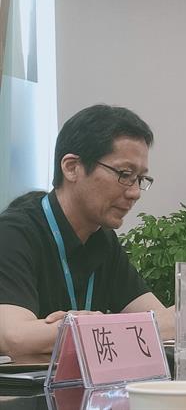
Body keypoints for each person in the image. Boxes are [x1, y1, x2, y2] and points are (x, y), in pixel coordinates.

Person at [0, 104, 174, 357]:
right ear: (72, 167)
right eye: (124, 174)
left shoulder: (103, 239)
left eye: (139, 178)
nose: (135, 192)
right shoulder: (14, 233)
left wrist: (85, 327)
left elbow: (168, 323)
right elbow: (15, 337)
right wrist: (97, 327)